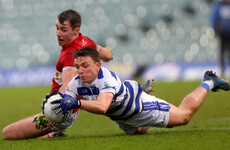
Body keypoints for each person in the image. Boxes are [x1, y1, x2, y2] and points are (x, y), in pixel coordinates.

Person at [2, 10, 153, 140]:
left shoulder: (70, 54)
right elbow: (106, 55)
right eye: (57, 28)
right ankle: (140, 102)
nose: (58, 33)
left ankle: (55, 130)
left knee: (7, 134)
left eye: (63, 30)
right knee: (137, 131)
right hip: (72, 107)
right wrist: (108, 53)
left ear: (75, 30)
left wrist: (51, 112)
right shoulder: (86, 41)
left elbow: (68, 86)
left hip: (62, 110)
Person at [30, 47, 230, 136]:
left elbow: (101, 106)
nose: (80, 70)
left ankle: (209, 82)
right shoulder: (75, 82)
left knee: (184, 116)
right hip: (121, 116)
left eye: (85, 66)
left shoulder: (106, 78)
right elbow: (65, 102)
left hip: (141, 107)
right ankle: (136, 90)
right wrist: (51, 110)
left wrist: (77, 103)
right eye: (77, 66)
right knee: (138, 133)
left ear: (98, 66)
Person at [210, 0, 230, 77]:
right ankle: (222, 70)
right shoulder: (218, 5)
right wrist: (216, 29)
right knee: (221, 53)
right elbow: (214, 18)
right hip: (222, 33)